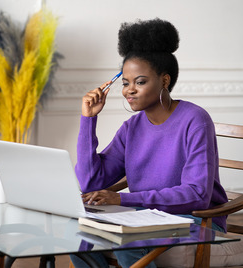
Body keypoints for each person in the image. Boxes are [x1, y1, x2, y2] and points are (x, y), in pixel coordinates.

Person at [71, 18, 228, 268]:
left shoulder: (195, 120)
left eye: (140, 82)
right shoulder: (131, 128)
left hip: (197, 219)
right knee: (75, 232)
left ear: (164, 81)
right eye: (125, 82)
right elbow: (91, 182)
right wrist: (88, 120)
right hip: (145, 216)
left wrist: (122, 200)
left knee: (125, 240)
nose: (129, 90)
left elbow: (197, 195)